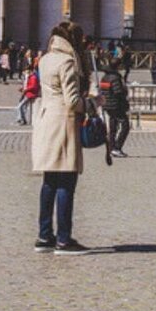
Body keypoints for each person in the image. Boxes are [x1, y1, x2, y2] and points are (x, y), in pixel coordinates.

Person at [31, 22, 93, 253]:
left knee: (49, 182)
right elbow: (72, 100)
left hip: (46, 120)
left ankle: (44, 236)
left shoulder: (46, 59)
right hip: (63, 123)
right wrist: (92, 103)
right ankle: (64, 239)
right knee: (66, 181)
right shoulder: (67, 61)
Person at [96, 63, 131, 157]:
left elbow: (102, 91)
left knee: (113, 127)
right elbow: (118, 92)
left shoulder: (104, 78)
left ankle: (111, 147)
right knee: (125, 126)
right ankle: (117, 147)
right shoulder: (115, 78)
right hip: (116, 105)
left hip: (107, 105)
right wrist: (124, 96)